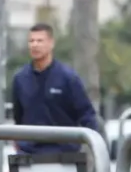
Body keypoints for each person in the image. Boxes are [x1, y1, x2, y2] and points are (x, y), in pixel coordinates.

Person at [11, 23, 101, 153]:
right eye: (31, 41)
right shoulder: (20, 78)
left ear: (51, 43)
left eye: (40, 41)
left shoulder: (68, 77)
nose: (35, 45)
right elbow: (18, 117)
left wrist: (93, 147)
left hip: (64, 155)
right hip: (29, 154)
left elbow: (86, 115)